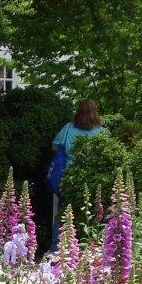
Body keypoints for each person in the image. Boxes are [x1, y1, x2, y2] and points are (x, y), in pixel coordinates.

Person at [48, 99, 107, 251]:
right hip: (92, 179)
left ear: (78, 112)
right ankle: (89, 251)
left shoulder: (68, 128)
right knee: (91, 215)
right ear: (95, 113)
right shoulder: (103, 132)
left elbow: (54, 147)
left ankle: (55, 250)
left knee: (63, 215)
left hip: (69, 178)